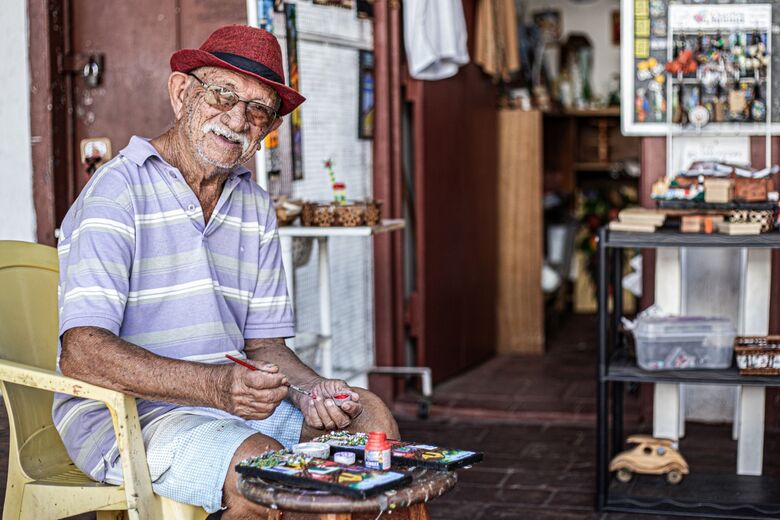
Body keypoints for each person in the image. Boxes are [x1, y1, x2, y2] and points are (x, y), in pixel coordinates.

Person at [54, 25, 399, 519]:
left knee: (370, 420)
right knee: (262, 472)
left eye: (258, 109)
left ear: (265, 130)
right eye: (222, 94)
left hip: (227, 409)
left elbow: (267, 349)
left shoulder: (253, 207)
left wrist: (311, 393)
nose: (237, 118)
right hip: (127, 418)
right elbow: (82, 354)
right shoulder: (117, 191)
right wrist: (216, 387)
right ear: (181, 94)